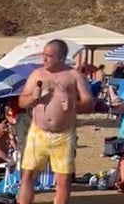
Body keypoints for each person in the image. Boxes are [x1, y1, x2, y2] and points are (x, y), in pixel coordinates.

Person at [17, 39, 95, 204]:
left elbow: (90, 103)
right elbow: (21, 102)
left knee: (63, 179)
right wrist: (33, 97)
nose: (43, 59)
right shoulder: (37, 74)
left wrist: (74, 105)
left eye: (48, 56)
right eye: (43, 55)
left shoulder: (74, 76)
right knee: (27, 175)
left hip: (64, 134)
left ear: (60, 57)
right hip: (38, 133)